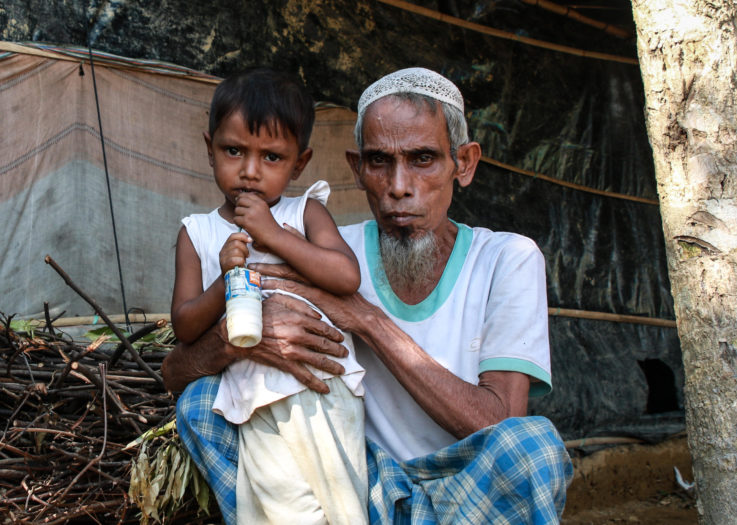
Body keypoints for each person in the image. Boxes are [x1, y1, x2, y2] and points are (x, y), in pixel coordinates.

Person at [161, 67, 573, 523]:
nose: (399, 186)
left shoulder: (505, 259)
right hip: (363, 485)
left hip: (466, 492)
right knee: (199, 405)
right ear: (357, 169)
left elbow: (500, 426)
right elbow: (175, 372)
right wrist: (240, 340)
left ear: (465, 163)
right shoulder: (318, 247)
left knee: (533, 448)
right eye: (379, 161)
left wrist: (367, 320)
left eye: (423, 159)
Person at [171, 68, 367, 524]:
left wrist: (274, 236)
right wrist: (224, 280)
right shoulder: (196, 233)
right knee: (281, 507)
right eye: (234, 150)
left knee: (341, 503)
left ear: (300, 163)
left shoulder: (306, 213)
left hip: (326, 388)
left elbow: (345, 275)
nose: (250, 171)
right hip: (254, 400)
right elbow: (184, 326)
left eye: (273, 157)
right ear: (209, 148)